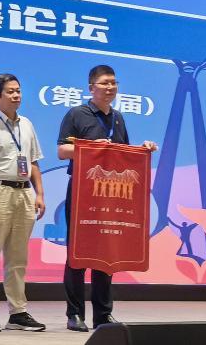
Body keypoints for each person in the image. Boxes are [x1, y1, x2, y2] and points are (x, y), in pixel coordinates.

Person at [56, 65, 157, 332]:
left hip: (110, 193)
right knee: (77, 253)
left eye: (114, 83)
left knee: (106, 251)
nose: (110, 87)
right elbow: (62, 151)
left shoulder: (119, 118)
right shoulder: (76, 114)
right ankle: (74, 314)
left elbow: (123, 155)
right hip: (82, 192)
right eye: (104, 83)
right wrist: (90, 149)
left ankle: (103, 314)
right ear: (91, 87)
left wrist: (143, 149)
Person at [0, 74, 47, 332]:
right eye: (10, 92)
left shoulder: (27, 124)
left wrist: (40, 194)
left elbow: (33, 162)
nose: (16, 96)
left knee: (18, 257)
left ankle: (18, 312)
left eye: (18, 91)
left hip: (24, 193)